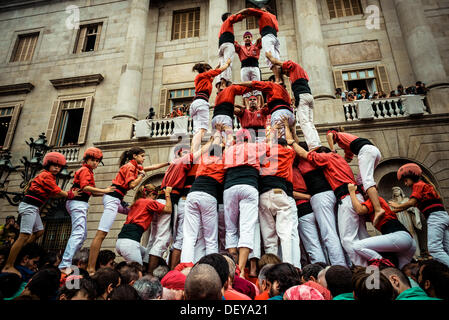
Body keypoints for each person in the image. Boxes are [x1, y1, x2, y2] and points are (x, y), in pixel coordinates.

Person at [287, 130, 369, 266]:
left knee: (329, 234)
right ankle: (356, 265)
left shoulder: (307, 160)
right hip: (336, 195)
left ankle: (340, 268)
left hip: (322, 197)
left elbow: (295, 146)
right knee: (344, 234)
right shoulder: (333, 159)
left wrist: (288, 131)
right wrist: (292, 128)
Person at [87, 147, 168, 275]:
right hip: (112, 199)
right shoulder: (130, 167)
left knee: (135, 209)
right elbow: (131, 185)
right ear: (134, 156)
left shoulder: (135, 167)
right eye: (142, 156)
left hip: (118, 199)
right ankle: (90, 268)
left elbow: (152, 167)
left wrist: (168, 163)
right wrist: (141, 177)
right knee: (101, 233)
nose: (144, 158)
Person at [2, 152, 72, 276]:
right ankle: (8, 265)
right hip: (29, 206)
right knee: (23, 235)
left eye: (59, 166)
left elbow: (53, 194)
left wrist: (66, 194)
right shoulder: (46, 175)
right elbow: (56, 191)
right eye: (54, 165)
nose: (57, 168)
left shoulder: (50, 177)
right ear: (48, 165)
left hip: (34, 208)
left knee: (39, 231)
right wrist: (70, 194)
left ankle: (21, 251)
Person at [59, 148, 114, 275]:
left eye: (97, 161)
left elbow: (92, 192)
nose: (95, 163)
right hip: (78, 203)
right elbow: (85, 187)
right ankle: (65, 265)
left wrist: (107, 192)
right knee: (78, 233)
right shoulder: (85, 170)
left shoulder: (89, 171)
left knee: (82, 234)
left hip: (80, 203)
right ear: (86, 160)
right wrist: (105, 191)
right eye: (93, 160)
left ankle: (69, 262)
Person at [295, 141, 347, 266]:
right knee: (339, 233)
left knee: (328, 234)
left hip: (319, 197)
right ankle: (348, 265)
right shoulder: (317, 159)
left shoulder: (301, 163)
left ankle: (339, 267)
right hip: (333, 194)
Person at [223, 128, 265, 277]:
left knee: (230, 228)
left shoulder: (229, 150)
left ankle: (232, 268)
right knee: (247, 228)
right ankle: (240, 271)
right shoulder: (255, 147)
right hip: (249, 186)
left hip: (229, 188)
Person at [389, 163, 449, 267]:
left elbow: (411, 203)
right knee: (446, 247)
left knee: (434, 249)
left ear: (412, 176)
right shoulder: (425, 187)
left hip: (435, 217)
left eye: (405, 180)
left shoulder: (418, 185)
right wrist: (391, 211)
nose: (405, 183)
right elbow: (406, 207)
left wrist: (396, 204)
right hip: (443, 216)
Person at [348, 183, 416, 268]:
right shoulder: (377, 205)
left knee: (357, 246)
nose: (365, 195)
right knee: (400, 273)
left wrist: (351, 192)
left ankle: (382, 263)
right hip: (409, 241)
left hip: (400, 237)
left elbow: (360, 210)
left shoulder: (374, 200)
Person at [326, 128, 384, 227]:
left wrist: (332, 151)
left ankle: (378, 208)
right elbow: (348, 159)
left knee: (367, 181)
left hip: (366, 151)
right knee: (360, 181)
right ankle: (369, 202)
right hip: (374, 151)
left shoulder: (339, 135)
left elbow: (329, 135)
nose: (334, 143)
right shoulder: (346, 142)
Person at [265, 53, 321, 150]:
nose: (286, 75)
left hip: (302, 96)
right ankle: (316, 142)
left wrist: (269, 56)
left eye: (285, 72)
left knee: (304, 122)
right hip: (309, 96)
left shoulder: (293, 66)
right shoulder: (302, 72)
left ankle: (313, 145)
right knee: (310, 122)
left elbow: (276, 62)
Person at [258, 136, 297, 265]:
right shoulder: (288, 152)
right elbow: (292, 147)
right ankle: (288, 265)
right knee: (285, 234)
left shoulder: (265, 151)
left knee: (269, 237)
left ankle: (271, 267)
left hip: (263, 195)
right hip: (279, 192)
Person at [116, 184, 172, 266]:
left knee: (147, 255)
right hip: (130, 243)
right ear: (151, 194)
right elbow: (168, 209)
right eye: (155, 196)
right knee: (138, 273)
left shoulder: (137, 202)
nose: (155, 198)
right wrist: (167, 194)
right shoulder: (149, 202)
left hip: (121, 241)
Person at [190, 60, 231, 154]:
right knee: (201, 130)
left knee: (197, 131)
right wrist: (227, 64)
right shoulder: (202, 76)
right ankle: (194, 153)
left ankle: (193, 151)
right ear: (205, 70)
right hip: (201, 103)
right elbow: (216, 72)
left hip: (196, 103)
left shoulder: (203, 78)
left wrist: (216, 68)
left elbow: (213, 75)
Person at [292, 162, 327, 264]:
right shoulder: (300, 168)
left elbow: (292, 192)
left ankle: (320, 272)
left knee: (313, 245)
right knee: (322, 243)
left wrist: (306, 197)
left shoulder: (290, 170)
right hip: (313, 207)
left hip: (302, 209)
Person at [238, 6, 282, 83]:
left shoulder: (263, 13)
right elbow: (277, 29)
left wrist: (236, 14)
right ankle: (280, 79)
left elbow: (248, 10)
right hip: (275, 38)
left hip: (267, 36)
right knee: (276, 59)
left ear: (264, 10)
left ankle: (277, 79)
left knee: (269, 57)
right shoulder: (274, 17)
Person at [391, 186, 428, 258]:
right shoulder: (392, 202)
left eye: (397, 190)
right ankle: (406, 256)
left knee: (411, 233)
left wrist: (412, 210)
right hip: (399, 219)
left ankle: (416, 254)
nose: (396, 191)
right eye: (394, 190)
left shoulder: (407, 200)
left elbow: (414, 208)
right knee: (401, 236)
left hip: (407, 218)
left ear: (401, 191)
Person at [212, 82, 253, 147]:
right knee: (229, 139)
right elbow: (243, 89)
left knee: (218, 139)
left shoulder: (218, 96)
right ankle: (227, 153)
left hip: (214, 119)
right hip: (225, 117)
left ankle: (214, 153)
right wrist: (253, 86)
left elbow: (231, 105)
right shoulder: (230, 88)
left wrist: (240, 106)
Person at [234, 32, 263, 106]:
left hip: (255, 67)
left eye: (249, 37)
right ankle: (247, 106)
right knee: (245, 88)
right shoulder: (240, 48)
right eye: (246, 37)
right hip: (244, 68)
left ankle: (259, 105)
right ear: (243, 39)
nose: (247, 38)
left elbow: (263, 39)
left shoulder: (256, 45)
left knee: (257, 86)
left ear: (251, 38)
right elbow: (233, 44)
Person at [218, 12, 244, 85]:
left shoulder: (222, 28)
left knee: (222, 64)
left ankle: (220, 83)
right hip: (227, 44)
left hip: (221, 46)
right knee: (228, 63)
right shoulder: (228, 20)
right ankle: (224, 83)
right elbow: (238, 17)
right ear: (228, 16)